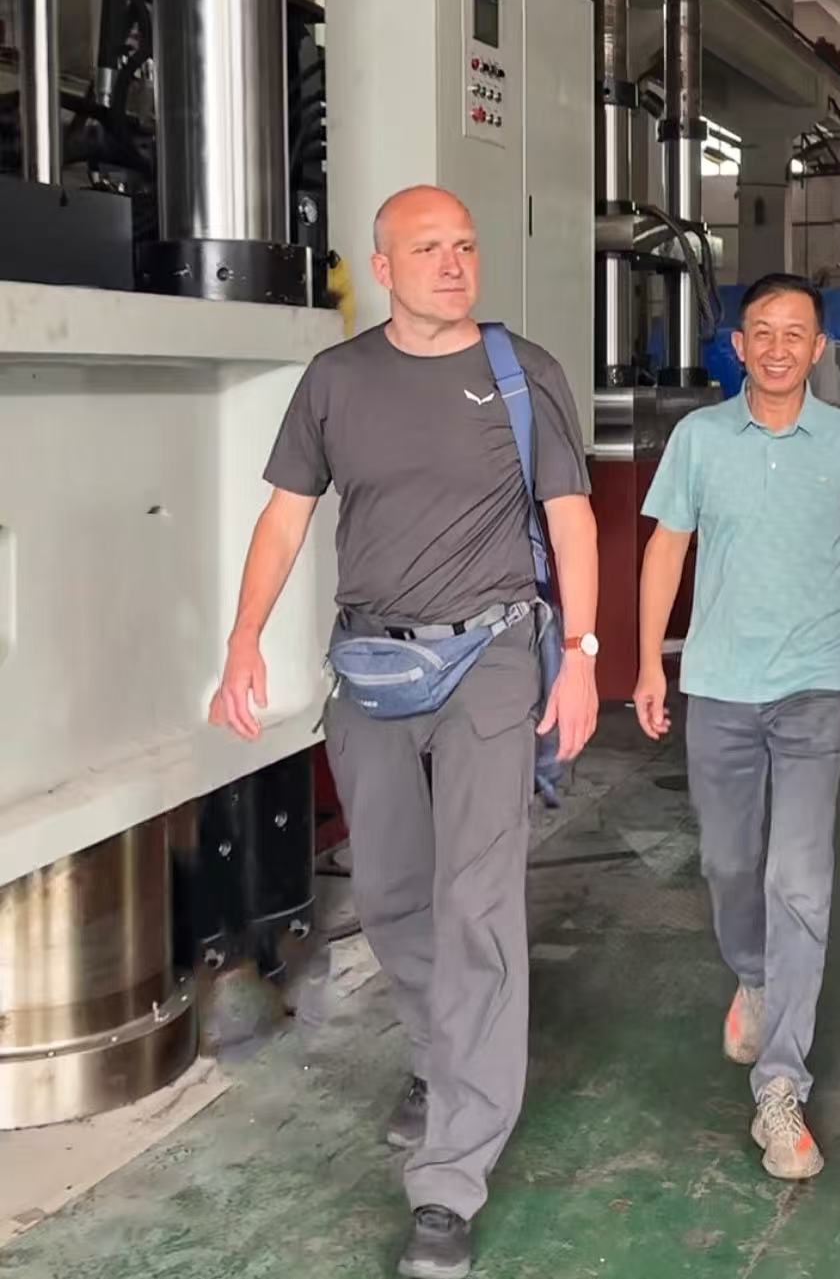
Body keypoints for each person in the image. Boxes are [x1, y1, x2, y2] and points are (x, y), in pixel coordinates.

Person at [210, 185, 600, 1279]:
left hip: (493, 657)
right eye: (428, 248)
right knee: (389, 895)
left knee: (477, 904)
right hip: (372, 665)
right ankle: (439, 1052)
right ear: (382, 267)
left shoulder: (523, 372)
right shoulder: (337, 380)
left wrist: (581, 654)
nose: (453, 262)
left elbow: (569, 516)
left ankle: (449, 1179)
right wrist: (243, 637)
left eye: (464, 245)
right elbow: (285, 515)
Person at [634, 273, 840, 1180]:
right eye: (761, 331)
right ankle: (755, 972)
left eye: (795, 333)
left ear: (818, 348)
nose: (777, 347)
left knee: (799, 879)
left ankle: (781, 1087)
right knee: (729, 862)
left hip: (818, 687)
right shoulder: (700, 438)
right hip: (721, 685)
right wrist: (647, 661)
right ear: (738, 346)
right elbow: (667, 547)